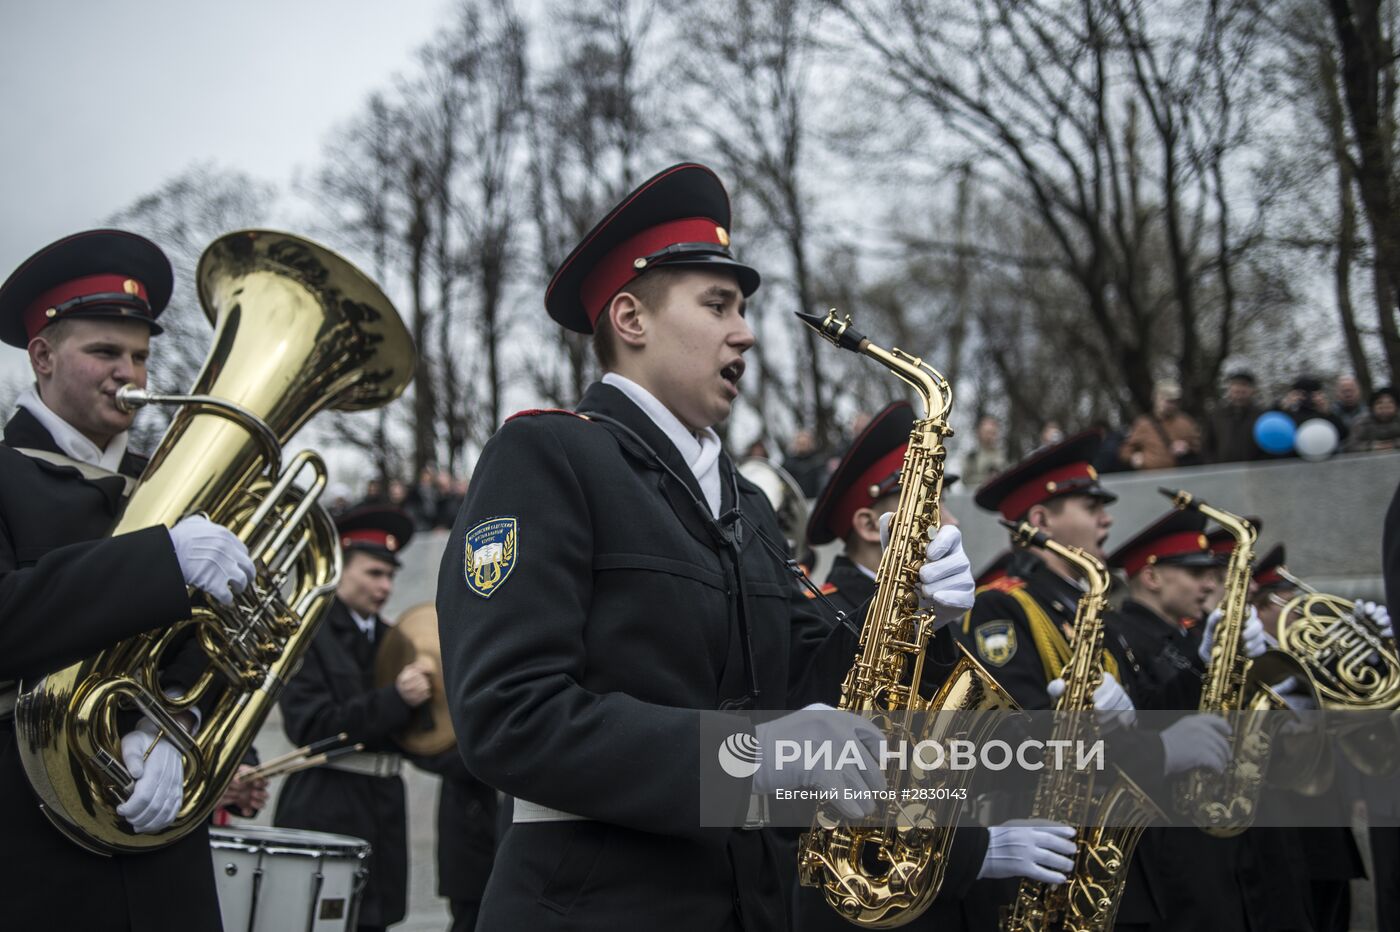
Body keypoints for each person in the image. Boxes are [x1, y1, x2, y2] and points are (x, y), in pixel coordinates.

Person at [435, 163, 977, 930]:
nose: (745, 332)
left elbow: (806, 685)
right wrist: (755, 760)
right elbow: (509, 716)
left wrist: (914, 613)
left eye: (744, 309)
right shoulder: (548, 456)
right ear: (630, 319)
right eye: (717, 304)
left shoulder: (746, 501)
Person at [0, 229, 255, 930]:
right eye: (105, 352)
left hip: (162, 837)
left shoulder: (170, 484)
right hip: (26, 834)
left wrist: (179, 724)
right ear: (43, 357)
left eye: (141, 355)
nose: (131, 373)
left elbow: (226, 642)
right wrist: (158, 561)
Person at [794, 402, 1088, 932]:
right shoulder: (820, 611)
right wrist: (973, 852)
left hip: (953, 897)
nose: (950, 521)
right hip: (877, 896)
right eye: (932, 505)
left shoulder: (943, 604)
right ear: (870, 522)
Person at [275, 506, 429, 932]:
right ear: (341, 567)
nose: (385, 587)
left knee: (376, 920)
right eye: (374, 573)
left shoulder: (391, 640)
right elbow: (309, 725)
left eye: (390, 576)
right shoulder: (309, 632)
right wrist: (395, 698)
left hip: (382, 804)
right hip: (327, 804)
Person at [1119, 379, 1202, 470]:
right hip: (1151, 478)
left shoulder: (1185, 423)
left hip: (1179, 477)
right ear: (1157, 399)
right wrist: (1133, 457)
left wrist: (1187, 448)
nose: (1171, 405)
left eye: (1175, 401)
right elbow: (1125, 450)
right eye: (1168, 401)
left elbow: (1198, 447)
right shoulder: (1143, 424)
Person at [1205, 369, 1263, 464]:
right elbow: (1208, 446)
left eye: (1244, 385)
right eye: (1235, 385)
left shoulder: (1261, 416)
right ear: (1229, 389)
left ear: (1252, 390)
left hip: (1254, 473)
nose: (1239, 389)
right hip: (1224, 472)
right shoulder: (1217, 415)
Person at [1345, 385, 1400, 452]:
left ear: (1396, 407)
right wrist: (1372, 446)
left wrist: (1394, 443)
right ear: (1372, 408)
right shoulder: (1362, 422)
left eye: (1389, 407)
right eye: (1380, 407)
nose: (1384, 411)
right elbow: (1350, 445)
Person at [960, 414, 1007, 488]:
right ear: (979, 433)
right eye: (987, 432)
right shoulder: (972, 456)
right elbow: (965, 480)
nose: (990, 436)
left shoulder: (1004, 456)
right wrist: (986, 480)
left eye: (993, 433)